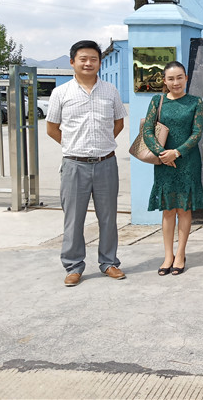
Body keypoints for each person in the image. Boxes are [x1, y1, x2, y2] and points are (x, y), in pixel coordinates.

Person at [46, 40, 127, 287]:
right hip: (74, 165)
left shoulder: (110, 90)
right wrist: (74, 146)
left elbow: (119, 123)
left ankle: (109, 262)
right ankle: (73, 266)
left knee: (108, 217)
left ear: (100, 62)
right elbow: (52, 128)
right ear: (73, 62)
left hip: (106, 163)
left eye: (93, 59)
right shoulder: (61, 93)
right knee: (73, 219)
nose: (88, 63)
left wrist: (102, 144)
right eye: (83, 59)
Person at [143, 61, 203, 276]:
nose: (175, 82)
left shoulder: (195, 102)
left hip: (187, 162)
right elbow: (147, 131)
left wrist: (176, 153)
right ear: (165, 80)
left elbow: (196, 134)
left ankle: (180, 254)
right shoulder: (157, 101)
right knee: (168, 209)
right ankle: (168, 255)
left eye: (179, 77)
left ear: (186, 78)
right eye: (171, 78)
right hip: (164, 163)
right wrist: (162, 153)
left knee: (184, 208)